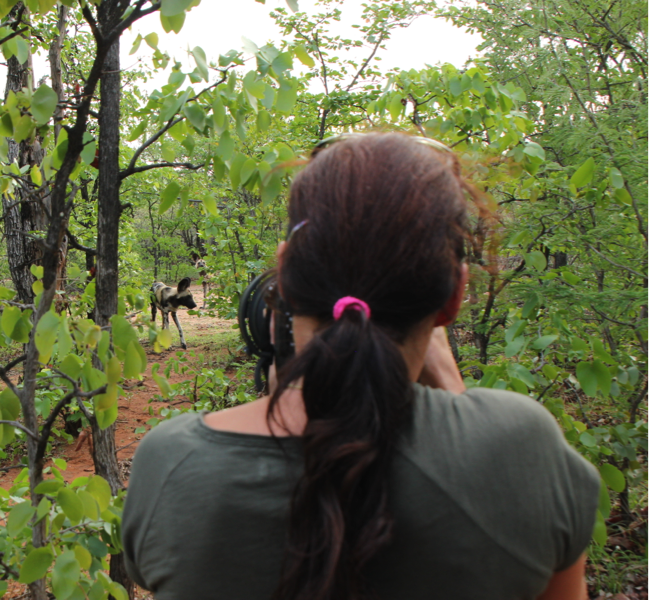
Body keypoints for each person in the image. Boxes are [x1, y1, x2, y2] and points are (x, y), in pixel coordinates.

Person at [122, 133, 599, 600]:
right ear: (455, 295)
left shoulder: (175, 462)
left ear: (286, 274)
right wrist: (453, 392)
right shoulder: (523, 449)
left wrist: (281, 396)